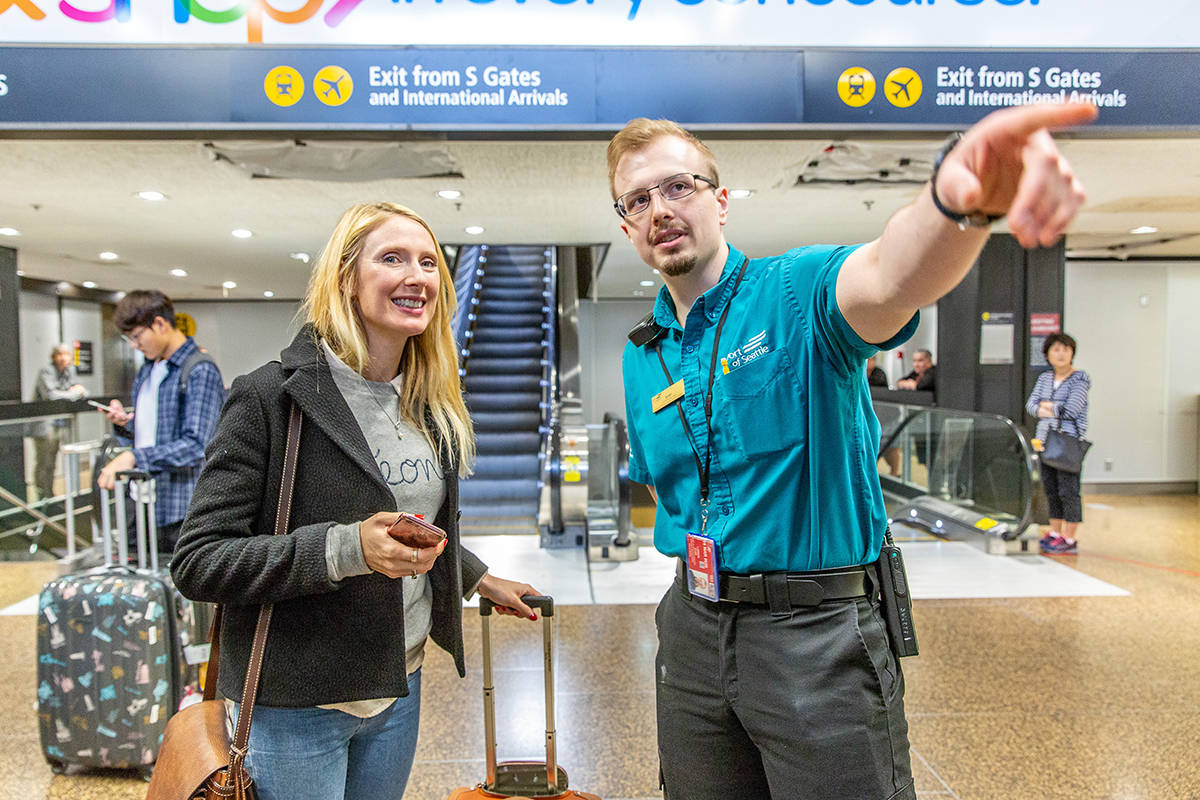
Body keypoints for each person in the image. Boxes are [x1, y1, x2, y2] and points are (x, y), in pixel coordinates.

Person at [608, 102, 1094, 800]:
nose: (660, 208)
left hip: (817, 633)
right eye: (639, 199)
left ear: (720, 201)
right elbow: (668, 487)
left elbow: (892, 275)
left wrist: (954, 203)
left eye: (678, 186)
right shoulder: (641, 356)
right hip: (691, 629)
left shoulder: (795, 292)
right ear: (627, 226)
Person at [170, 202, 541, 800]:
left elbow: (408, 521)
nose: (415, 275)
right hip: (293, 701)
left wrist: (475, 576)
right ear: (346, 277)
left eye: (428, 262)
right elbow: (198, 560)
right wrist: (346, 549)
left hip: (400, 680)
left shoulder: (430, 400)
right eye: (391, 258)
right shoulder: (271, 398)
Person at [96, 290, 225, 556]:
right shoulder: (149, 370)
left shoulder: (199, 369)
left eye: (136, 336)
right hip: (141, 501)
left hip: (180, 509)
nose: (134, 345)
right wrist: (124, 426)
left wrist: (134, 457)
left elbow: (197, 445)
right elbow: (152, 435)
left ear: (159, 324)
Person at [1025, 332, 1090, 554]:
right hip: (1044, 441)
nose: (1061, 354)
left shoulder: (1080, 379)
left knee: (1069, 490)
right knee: (1051, 488)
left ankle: (1069, 538)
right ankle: (1055, 531)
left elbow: (1071, 409)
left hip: (1068, 442)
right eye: (1056, 350)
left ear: (1072, 353)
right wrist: (1047, 407)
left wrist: (1048, 407)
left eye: (1065, 349)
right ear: (1047, 354)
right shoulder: (1044, 378)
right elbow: (1031, 405)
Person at [32, 344, 88, 500]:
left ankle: (49, 496)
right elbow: (50, 395)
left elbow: (83, 391)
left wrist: (76, 392)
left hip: (60, 424)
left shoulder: (68, 373)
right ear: (54, 356)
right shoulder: (46, 371)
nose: (64, 358)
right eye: (60, 354)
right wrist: (72, 393)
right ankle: (42, 497)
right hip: (45, 426)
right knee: (45, 462)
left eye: (67, 354)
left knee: (53, 462)